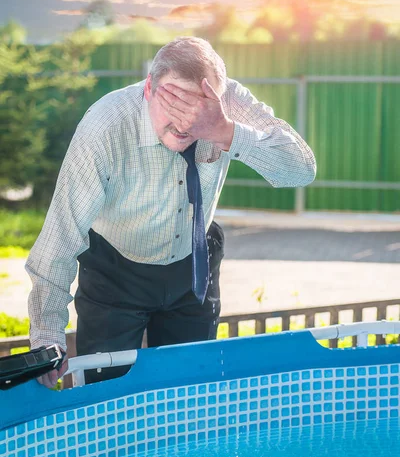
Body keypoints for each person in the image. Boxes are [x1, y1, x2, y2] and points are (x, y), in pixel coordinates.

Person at [26, 37, 316, 388]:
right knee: (106, 394)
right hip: (115, 270)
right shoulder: (104, 126)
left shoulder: (226, 103)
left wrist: (224, 130)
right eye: (174, 104)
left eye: (197, 110)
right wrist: (46, 335)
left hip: (193, 265)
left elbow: (302, 169)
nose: (185, 123)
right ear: (149, 88)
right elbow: (61, 235)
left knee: (190, 393)